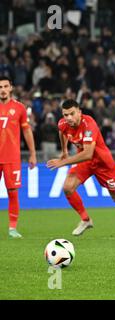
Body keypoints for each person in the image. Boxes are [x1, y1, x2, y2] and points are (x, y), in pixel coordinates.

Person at [46, 99, 115, 239]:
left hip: (103, 164)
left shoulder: (89, 125)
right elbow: (62, 132)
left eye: (72, 114)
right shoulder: (63, 124)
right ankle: (85, 220)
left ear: (79, 112)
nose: (68, 118)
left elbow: (88, 154)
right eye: (65, 114)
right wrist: (64, 151)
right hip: (85, 163)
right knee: (68, 187)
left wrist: (63, 162)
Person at [0, 76, 37, 238]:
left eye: (5, 86)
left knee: (13, 192)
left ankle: (12, 228)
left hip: (12, 157)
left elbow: (27, 131)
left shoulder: (20, 108)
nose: (2, 89)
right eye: (0, 87)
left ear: (11, 88)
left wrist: (33, 153)